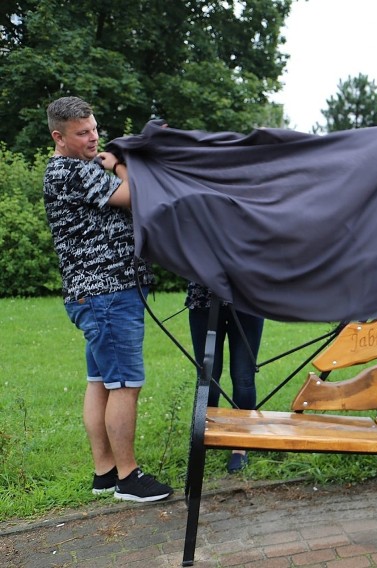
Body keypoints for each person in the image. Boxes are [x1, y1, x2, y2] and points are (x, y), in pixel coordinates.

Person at [43, 96, 173, 502]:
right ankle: (129, 479)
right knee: (126, 384)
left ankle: (104, 472)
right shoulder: (72, 172)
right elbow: (135, 195)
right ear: (58, 137)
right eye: (82, 133)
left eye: (95, 129)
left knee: (100, 381)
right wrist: (119, 162)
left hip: (96, 295)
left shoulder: (70, 169)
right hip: (108, 294)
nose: (93, 138)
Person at [186, 282, 264, 473]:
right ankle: (206, 437)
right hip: (203, 300)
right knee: (207, 378)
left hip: (248, 299)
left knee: (243, 377)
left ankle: (240, 446)